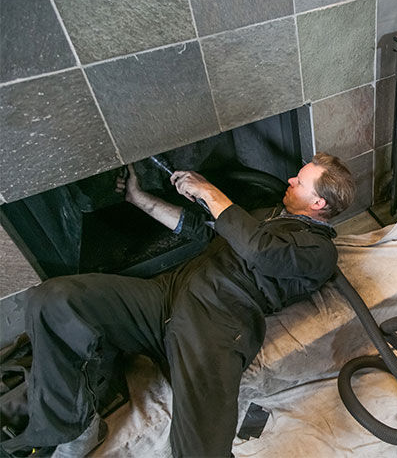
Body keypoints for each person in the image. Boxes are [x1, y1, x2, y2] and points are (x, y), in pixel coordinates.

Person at [4, 152, 355, 457]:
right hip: (165, 295)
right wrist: (137, 197)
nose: (291, 178)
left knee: (201, 446)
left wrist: (210, 192)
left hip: (216, 320)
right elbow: (201, 231)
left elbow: (261, 251)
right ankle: (70, 427)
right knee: (53, 299)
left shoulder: (319, 251)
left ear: (319, 203)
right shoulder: (268, 212)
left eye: (301, 180)